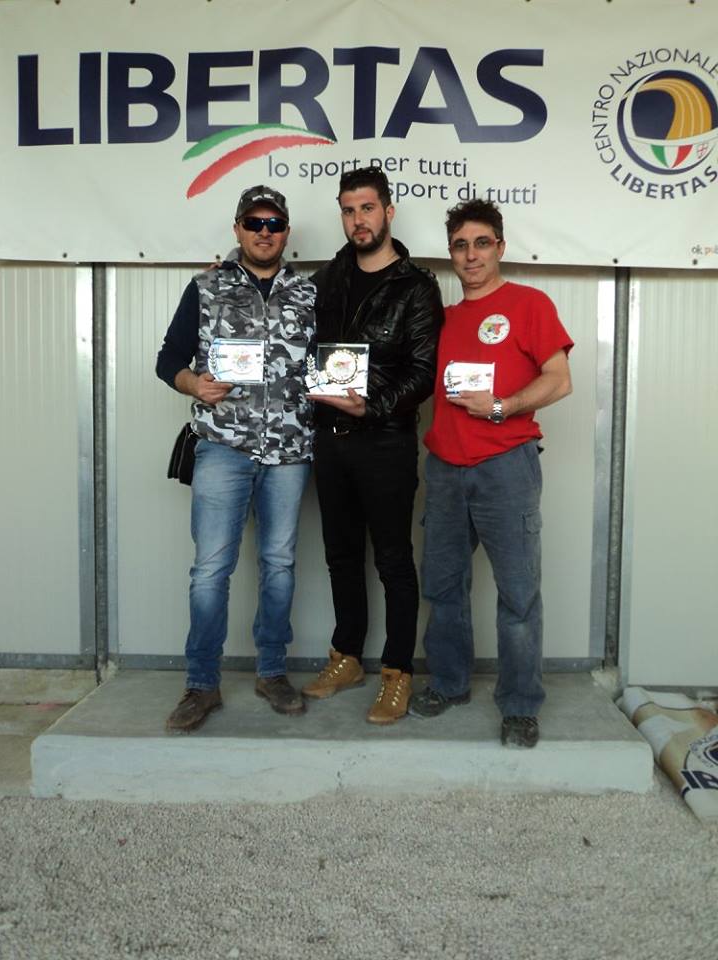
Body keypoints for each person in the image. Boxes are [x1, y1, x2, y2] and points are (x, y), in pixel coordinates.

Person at [409, 198, 573, 748]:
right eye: (460, 245)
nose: (471, 255)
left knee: (518, 592)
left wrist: (502, 406)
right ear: (450, 253)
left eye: (482, 243)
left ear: (500, 247)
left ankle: (520, 705)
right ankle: (449, 683)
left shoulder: (529, 304)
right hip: (445, 469)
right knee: (443, 586)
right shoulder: (444, 319)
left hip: (506, 467)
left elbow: (559, 379)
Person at [156, 185, 316, 732]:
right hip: (222, 446)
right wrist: (193, 383)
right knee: (210, 570)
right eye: (254, 222)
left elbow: (330, 361)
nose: (264, 232)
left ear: (286, 231)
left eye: (274, 223)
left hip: (289, 450)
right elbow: (168, 359)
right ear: (238, 229)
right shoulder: (206, 287)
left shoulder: (310, 292)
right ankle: (202, 683)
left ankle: (272, 672)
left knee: (279, 565)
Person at [301, 166, 444, 724]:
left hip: (385, 441)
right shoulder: (326, 278)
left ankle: (397, 672)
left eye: (366, 208)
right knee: (340, 556)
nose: (357, 220)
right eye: (348, 210)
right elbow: (289, 324)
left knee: (392, 560)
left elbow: (424, 371)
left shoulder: (416, 286)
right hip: (330, 440)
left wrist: (375, 406)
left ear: (388, 211)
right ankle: (347, 657)